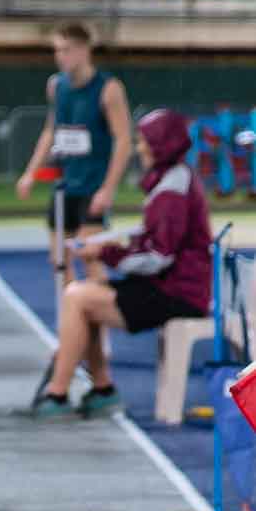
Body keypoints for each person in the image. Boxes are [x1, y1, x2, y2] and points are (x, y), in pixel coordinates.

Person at [31, 108, 211, 418]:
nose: (140, 148)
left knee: (77, 297)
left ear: (163, 144)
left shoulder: (172, 188)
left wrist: (104, 253)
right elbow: (150, 235)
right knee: (85, 294)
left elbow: (158, 256)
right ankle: (101, 388)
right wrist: (103, 245)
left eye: (145, 142)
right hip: (172, 286)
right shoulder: (172, 178)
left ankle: (58, 393)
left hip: (178, 295)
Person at [16, 21, 133, 282]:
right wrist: (30, 173)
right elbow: (50, 131)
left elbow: (124, 140)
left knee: (89, 256)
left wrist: (108, 189)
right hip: (65, 187)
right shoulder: (56, 86)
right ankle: (72, 319)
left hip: (93, 188)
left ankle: (99, 317)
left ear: (84, 50)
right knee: (59, 259)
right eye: (57, 50)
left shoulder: (109, 89)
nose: (60, 56)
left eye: (66, 49)